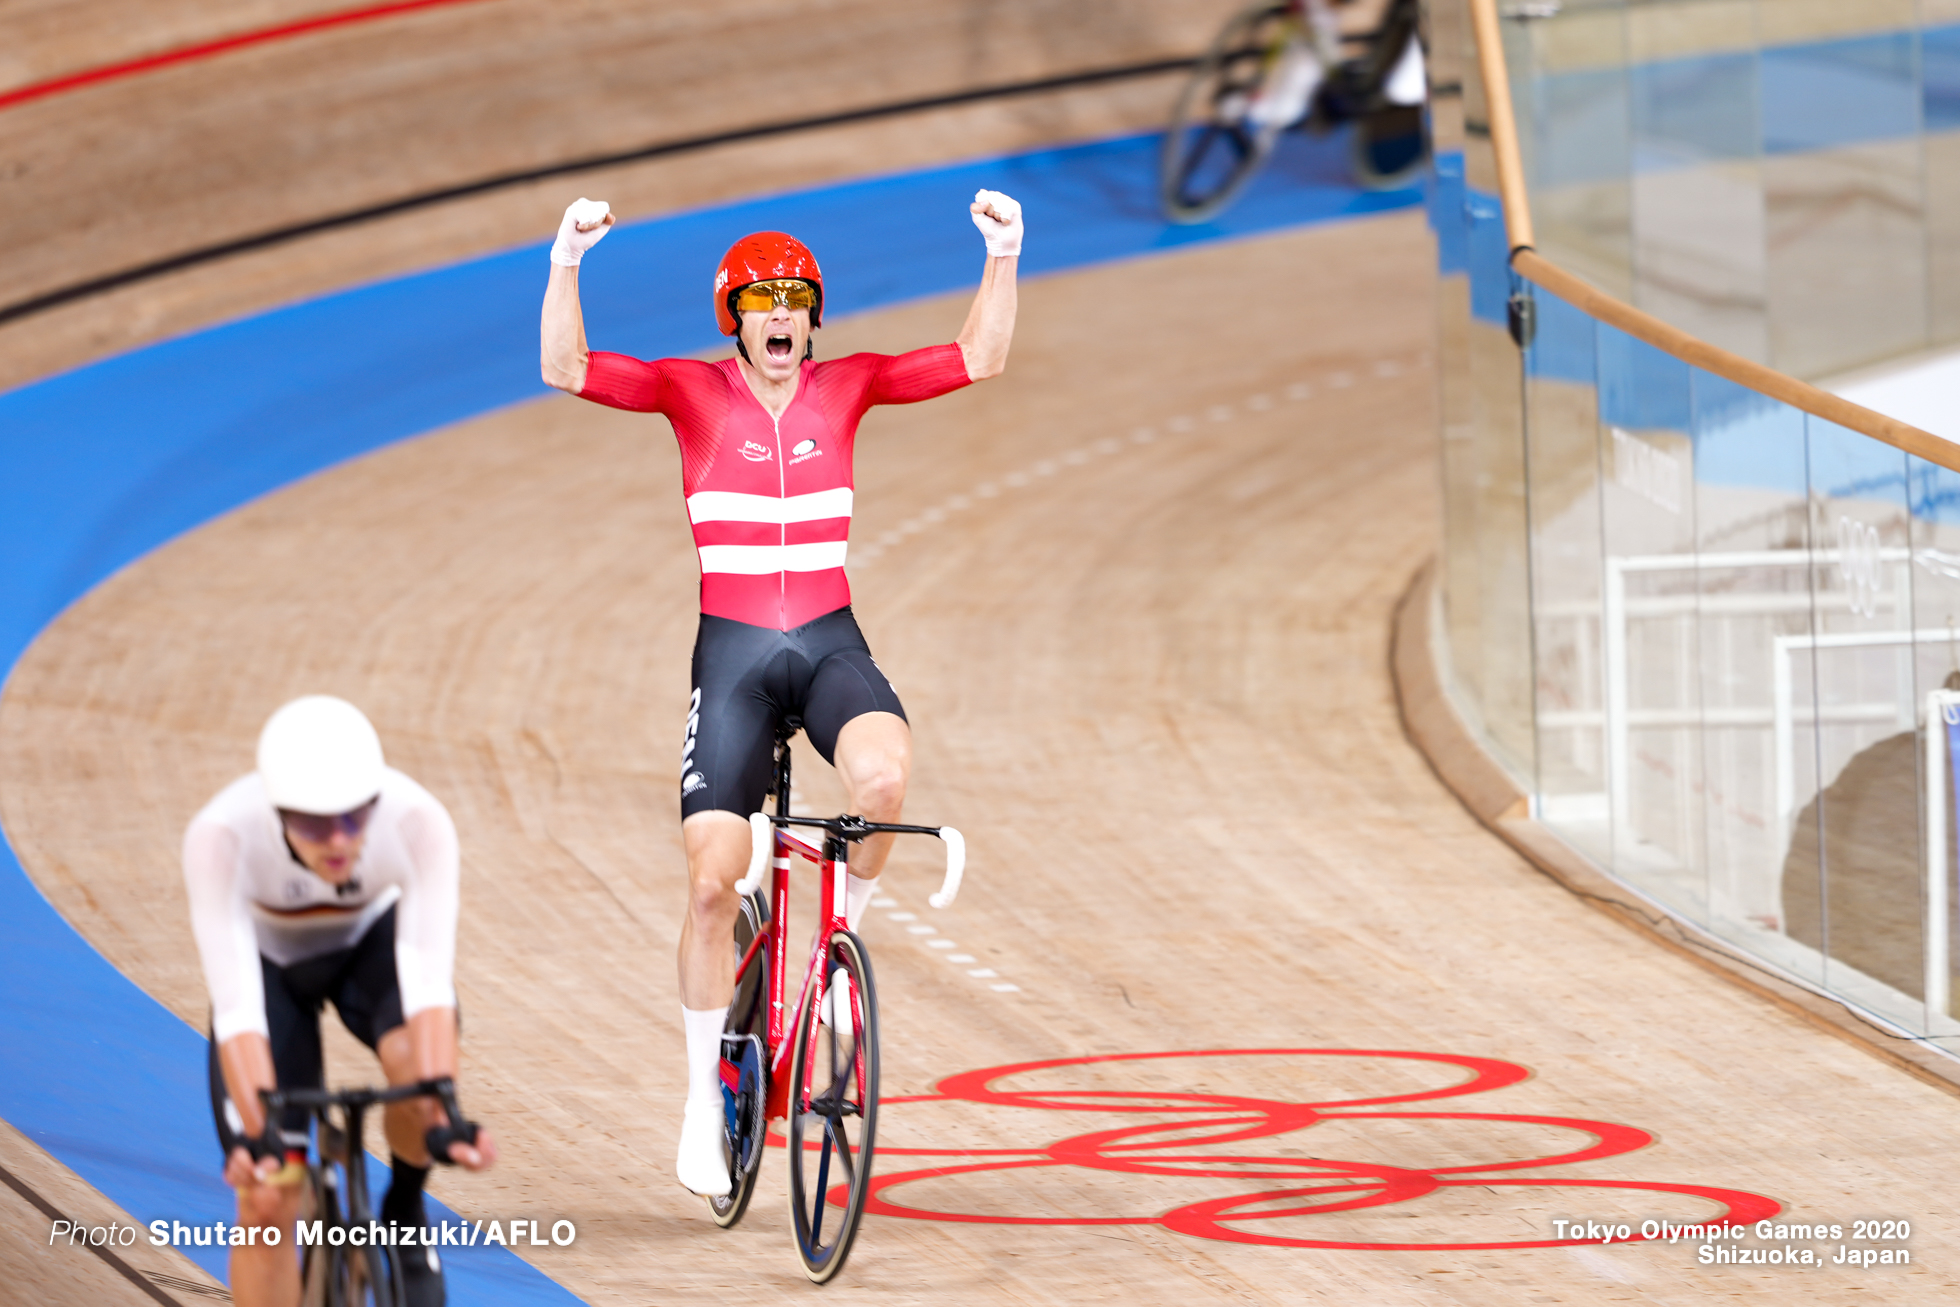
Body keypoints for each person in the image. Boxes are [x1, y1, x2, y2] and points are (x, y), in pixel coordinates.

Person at [538, 188, 1020, 1195]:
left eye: (795, 299)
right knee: (711, 881)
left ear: (811, 316)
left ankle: (843, 943)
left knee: (884, 776)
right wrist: (567, 263)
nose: (781, 316)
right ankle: (694, 1101)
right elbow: (566, 369)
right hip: (735, 658)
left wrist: (1003, 255)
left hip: (829, 643)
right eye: (762, 301)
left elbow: (976, 359)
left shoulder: (850, 385)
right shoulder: (687, 391)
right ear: (736, 318)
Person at [185, 695, 496, 1307]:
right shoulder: (219, 836)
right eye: (312, 823)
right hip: (269, 970)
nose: (337, 840)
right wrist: (262, 1134)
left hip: (368, 950)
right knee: (270, 1196)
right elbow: (239, 1006)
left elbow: (428, 983)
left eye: (354, 818)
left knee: (415, 1067)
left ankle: (404, 1207)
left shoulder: (418, 821)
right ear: (276, 811)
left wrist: (442, 1108)